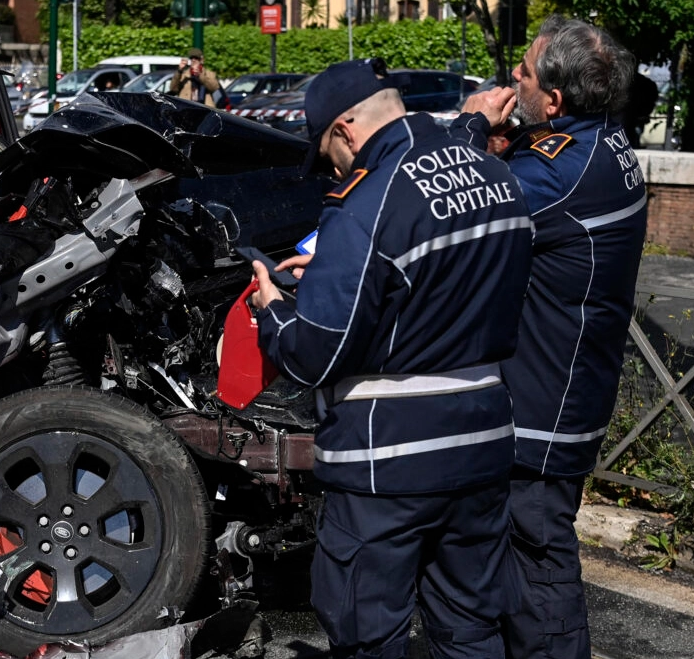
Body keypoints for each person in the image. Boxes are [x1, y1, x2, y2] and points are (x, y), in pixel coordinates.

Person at [249, 57, 533, 658]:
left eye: (329, 150)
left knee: (367, 634)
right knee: (471, 627)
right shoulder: (495, 174)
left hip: (388, 461)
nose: (333, 165)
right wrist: (337, 271)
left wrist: (273, 311)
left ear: (347, 129)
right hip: (483, 441)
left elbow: (313, 356)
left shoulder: (361, 202)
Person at [461, 15, 648, 659]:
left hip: (545, 407)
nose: (511, 80)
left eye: (524, 73)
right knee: (519, 562)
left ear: (556, 99)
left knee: (539, 567)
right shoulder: (603, 141)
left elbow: (461, 204)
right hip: (566, 387)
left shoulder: (560, 172)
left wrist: (472, 127)